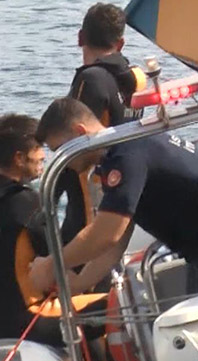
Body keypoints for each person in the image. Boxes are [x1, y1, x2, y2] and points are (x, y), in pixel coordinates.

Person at [29, 98, 198, 296]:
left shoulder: (125, 155)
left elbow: (106, 234)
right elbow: (116, 240)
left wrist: (50, 266)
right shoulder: (122, 147)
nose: (63, 160)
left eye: (61, 149)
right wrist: (80, 283)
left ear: (80, 132)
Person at [0, 113, 105, 347]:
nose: (44, 156)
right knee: (119, 304)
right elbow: (60, 264)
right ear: (19, 158)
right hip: (30, 322)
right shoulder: (27, 204)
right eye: (38, 149)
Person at [58, 3, 146, 244]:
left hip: (92, 192)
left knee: (80, 251)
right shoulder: (136, 79)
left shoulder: (90, 79)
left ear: (80, 38)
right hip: (126, 184)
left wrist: (49, 198)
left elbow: (74, 143)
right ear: (120, 44)